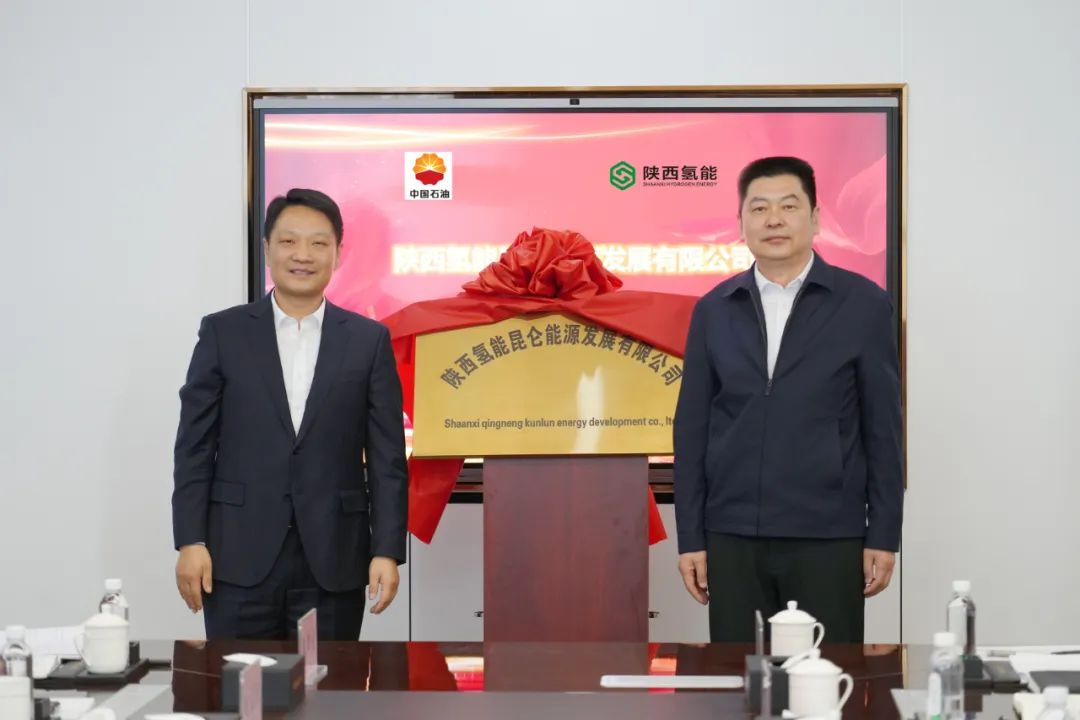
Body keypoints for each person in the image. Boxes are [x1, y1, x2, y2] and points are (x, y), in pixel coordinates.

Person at [673, 157, 903, 642]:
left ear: (815, 218)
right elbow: (692, 431)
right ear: (741, 223)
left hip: (829, 534)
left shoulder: (863, 304)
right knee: (740, 678)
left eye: (788, 206)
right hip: (732, 535)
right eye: (759, 208)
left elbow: (883, 428)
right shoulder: (714, 309)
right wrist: (691, 537)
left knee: (825, 677)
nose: (773, 220)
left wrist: (883, 533)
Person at [172, 188, 408, 640]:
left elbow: (387, 458)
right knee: (241, 682)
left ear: (338, 254)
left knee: (328, 683)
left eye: (319, 243)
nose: (303, 255)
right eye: (288, 241)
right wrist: (191, 540)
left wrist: (386, 550)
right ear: (267, 249)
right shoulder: (224, 332)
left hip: (335, 559)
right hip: (236, 557)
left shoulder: (368, 340)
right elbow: (194, 447)